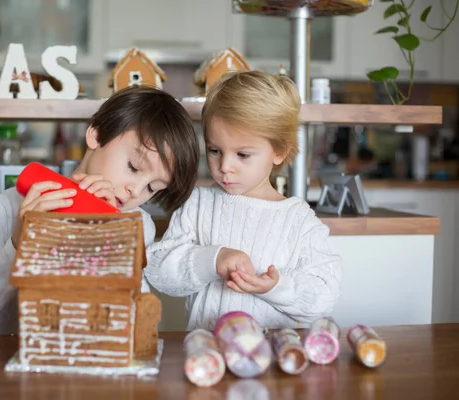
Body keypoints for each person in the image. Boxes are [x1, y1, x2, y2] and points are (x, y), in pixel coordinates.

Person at [0, 86, 200, 334]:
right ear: (96, 135)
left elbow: (135, 330)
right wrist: (17, 245)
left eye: (152, 188)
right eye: (133, 167)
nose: (136, 190)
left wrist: (110, 239)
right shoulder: (13, 205)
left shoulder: (137, 224)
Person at [144, 71, 342, 331]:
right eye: (214, 150)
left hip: (273, 360)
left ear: (279, 151)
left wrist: (276, 287)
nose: (225, 166)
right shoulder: (198, 204)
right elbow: (159, 272)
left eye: (243, 154)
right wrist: (212, 260)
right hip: (208, 355)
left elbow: (324, 296)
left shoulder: (299, 220)